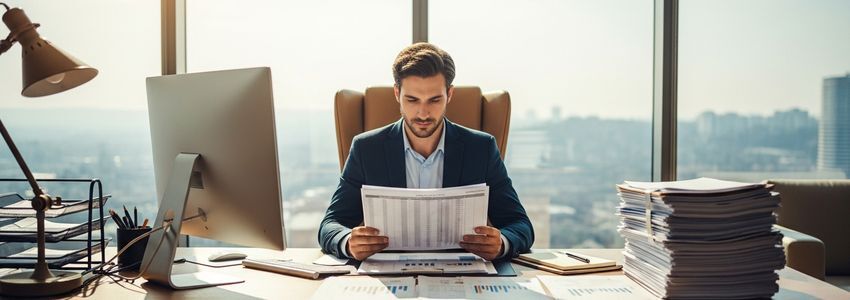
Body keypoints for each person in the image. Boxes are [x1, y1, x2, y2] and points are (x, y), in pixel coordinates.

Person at [319, 42, 534, 261]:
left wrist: (501, 243)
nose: (423, 113)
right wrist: (348, 242)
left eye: (434, 99)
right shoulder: (366, 149)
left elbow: (520, 225)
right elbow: (330, 225)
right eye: (412, 100)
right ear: (397, 94)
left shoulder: (482, 148)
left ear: (449, 94)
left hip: (463, 277)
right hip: (388, 279)